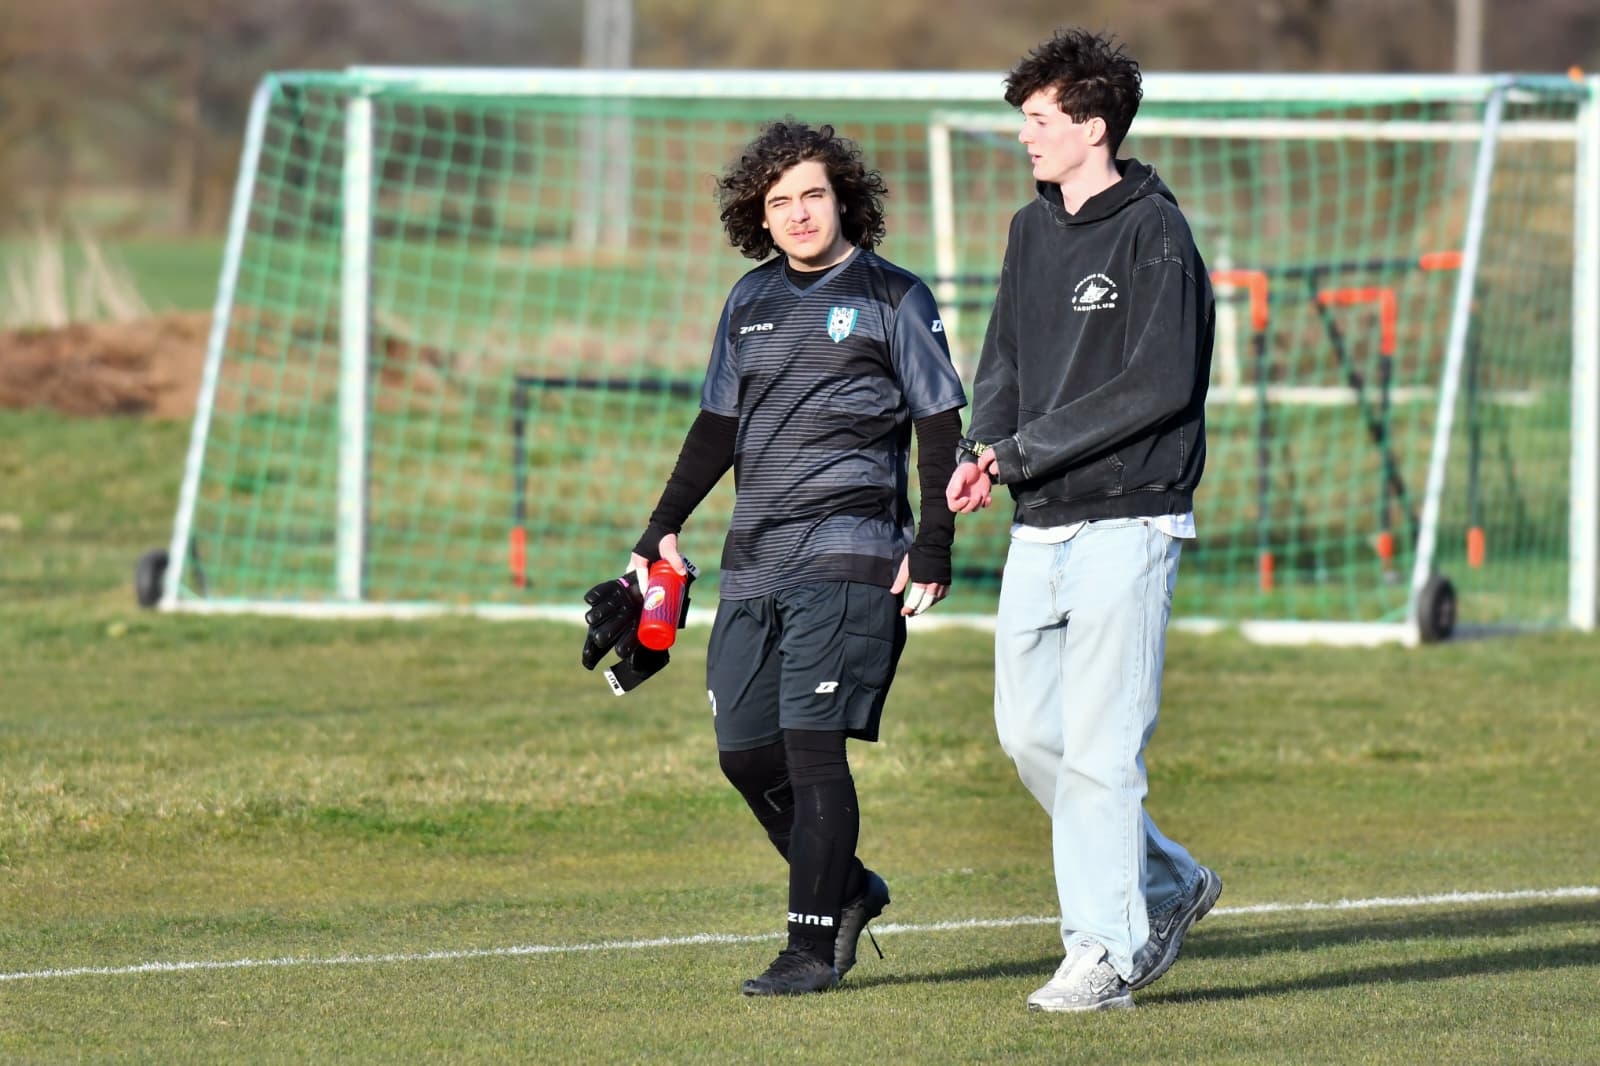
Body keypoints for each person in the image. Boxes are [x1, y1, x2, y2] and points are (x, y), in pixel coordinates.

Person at [625, 119, 967, 996]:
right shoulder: (748, 300)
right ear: (760, 217)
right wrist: (660, 527)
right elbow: (718, 425)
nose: (800, 213)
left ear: (844, 199)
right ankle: (848, 888)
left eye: (813, 194)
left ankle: (810, 947)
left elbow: (938, 425)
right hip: (754, 559)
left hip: (852, 554)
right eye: (780, 202)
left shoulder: (895, 295)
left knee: (813, 752)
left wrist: (933, 543)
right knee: (744, 752)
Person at [946, 28, 1221, 1012]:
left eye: (1039, 119)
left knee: (1103, 753)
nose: (1025, 135)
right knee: (1032, 738)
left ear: (1092, 127)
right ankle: (1166, 880)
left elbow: (1157, 384)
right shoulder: (1030, 231)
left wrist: (1021, 453)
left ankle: (1104, 953)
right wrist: (983, 447)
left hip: (1131, 523)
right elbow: (1005, 360)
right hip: (1040, 523)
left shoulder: (1157, 234)